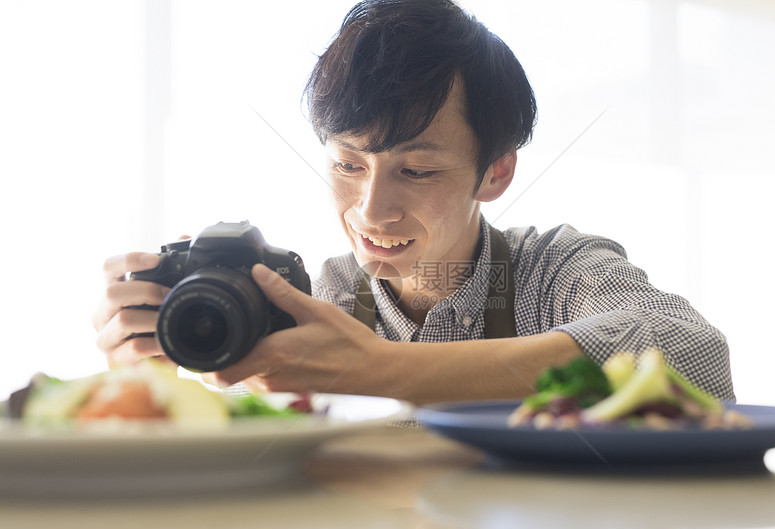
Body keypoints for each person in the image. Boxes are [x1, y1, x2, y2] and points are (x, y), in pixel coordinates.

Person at [92, 0, 734, 404]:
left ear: (498, 171)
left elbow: (689, 349)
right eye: (348, 164)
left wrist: (383, 369)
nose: (370, 212)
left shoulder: (553, 271)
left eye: (418, 170)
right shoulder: (326, 296)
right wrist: (155, 368)